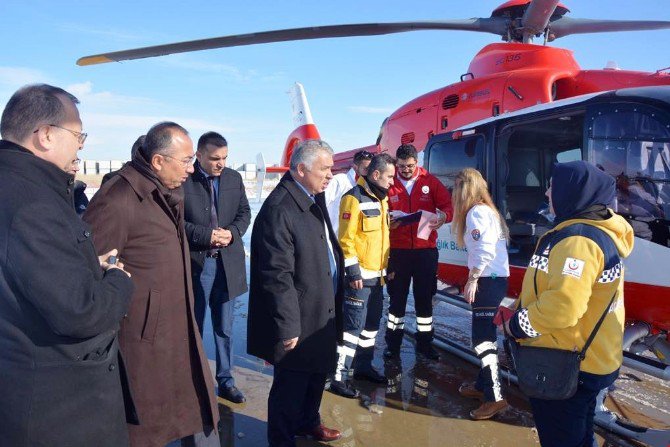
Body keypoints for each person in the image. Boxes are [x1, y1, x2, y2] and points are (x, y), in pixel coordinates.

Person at [0, 84, 134, 446]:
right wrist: (117, 280)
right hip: (60, 411)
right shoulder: (33, 205)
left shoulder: (18, 188)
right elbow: (80, 312)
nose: (81, 144)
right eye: (78, 134)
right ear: (45, 135)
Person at [84, 122, 219, 447]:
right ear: (158, 161)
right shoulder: (118, 199)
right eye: (186, 161)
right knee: (145, 431)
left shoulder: (167, 194)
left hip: (178, 332)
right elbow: (89, 278)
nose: (191, 168)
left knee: (199, 420)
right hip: (142, 347)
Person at [502, 160, 634, 447]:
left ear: (572, 192)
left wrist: (516, 325)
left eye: (552, 187)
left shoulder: (578, 241)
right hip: (590, 357)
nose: (548, 194)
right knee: (580, 434)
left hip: (568, 364)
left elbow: (564, 306)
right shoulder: (590, 232)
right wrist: (522, 303)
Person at [247, 139, 344, 447]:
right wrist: (288, 326)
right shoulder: (280, 208)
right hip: (298, 317)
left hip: (319, 307)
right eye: (325, 168)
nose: (330, 174)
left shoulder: (312, 196)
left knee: (317, 375)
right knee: (290, 386)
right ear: (301, 169)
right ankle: (282, 439)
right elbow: (276, 276)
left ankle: (308, 422)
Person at [184, 131, 251, 404]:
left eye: (224, 157)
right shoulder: (184, 179)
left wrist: (232, 233)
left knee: (224, 327)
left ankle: (226, 380)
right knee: (195, 326)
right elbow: (175, 221)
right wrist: (205, 236)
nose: (220, 163)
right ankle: (195, 382)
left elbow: (245, 213)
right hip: (198, 263)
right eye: (214, 158)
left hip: (227, 263)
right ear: (199, 155)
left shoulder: (233, 178)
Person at [330, 153, 395, 398]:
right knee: (352, 329)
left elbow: (384, 236)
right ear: (376, 175)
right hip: (360, 278)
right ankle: (339, 375)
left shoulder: (382, 199)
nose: (392, 181)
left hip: (378, 277)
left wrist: (391, 266)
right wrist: (352, 271)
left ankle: (363, 366)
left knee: (370, 327)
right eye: (389, 176)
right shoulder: (352, 199)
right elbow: (345, 240)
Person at [451, 168, 510, 420]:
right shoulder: (487, 210)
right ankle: (482, 386)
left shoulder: (476, 213)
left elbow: (484, 250)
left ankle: (494, 397)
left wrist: (472, 278)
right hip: (494, 279)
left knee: (483, 342)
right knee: (483, 337)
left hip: (487, 280)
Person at [384, 144, 453, 360]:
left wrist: (444, 218)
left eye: (410, 166)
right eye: (402, 166)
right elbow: (379, 212)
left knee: (424, 299)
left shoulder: (429, 181)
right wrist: (387, 222)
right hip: (398, 252)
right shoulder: (389, 183)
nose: (405, 170)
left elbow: (448, 207)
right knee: (397, 300)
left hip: (425, 252)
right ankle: (393, 345)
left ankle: (425, 345)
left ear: (417, 162)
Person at [324, 149, 373, 234]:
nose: (369, 172)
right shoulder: (340, 181)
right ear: (355, 167)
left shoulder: (369, 185)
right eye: (366, 169)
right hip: (336, 237)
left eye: (371, 169)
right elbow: (322, 204)